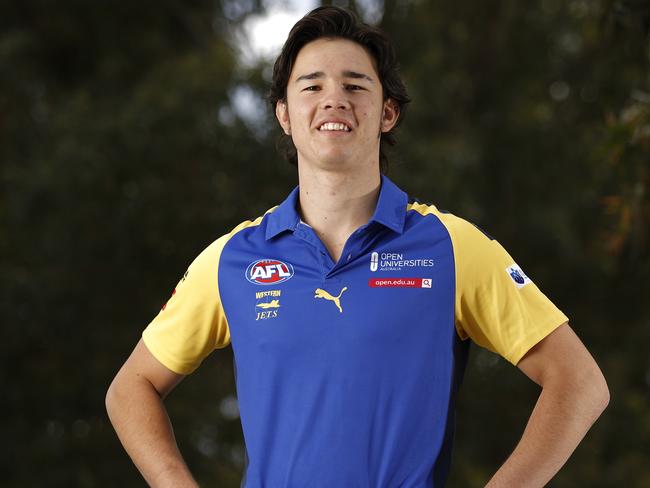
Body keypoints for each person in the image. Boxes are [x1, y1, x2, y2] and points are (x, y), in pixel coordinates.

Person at [105, 6, 609, 487]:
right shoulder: (233, 259)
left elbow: (579, 382)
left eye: (355, 84)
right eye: (312, 85)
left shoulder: (453, 247)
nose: (334, 99)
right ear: (284, 114)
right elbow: (131, 388)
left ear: (387, 112)